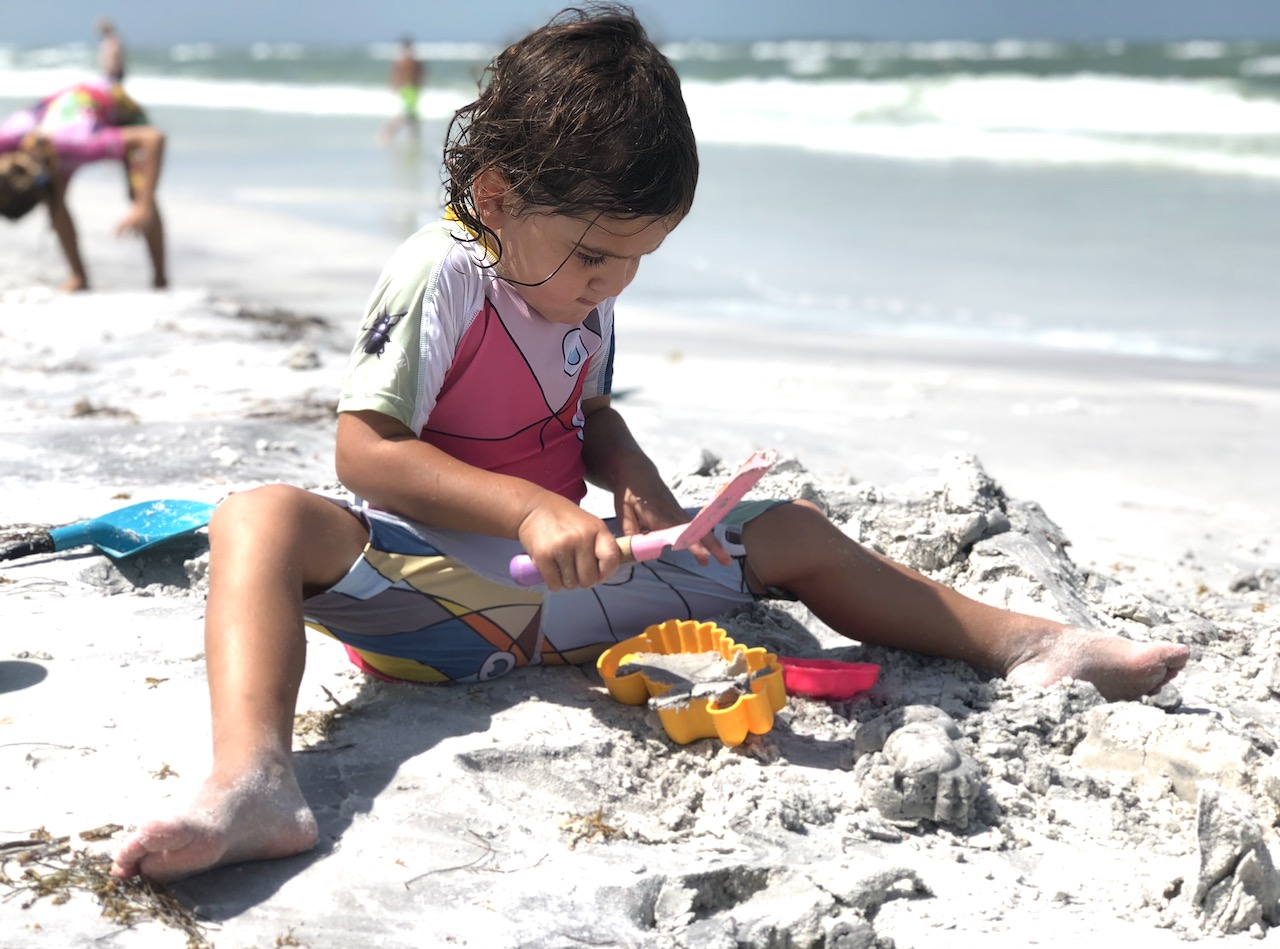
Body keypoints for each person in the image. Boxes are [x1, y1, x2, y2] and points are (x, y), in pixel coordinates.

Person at [110, 5, 1187, 884]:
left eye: (637, 259)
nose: (611, 283)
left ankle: (1025, 644)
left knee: (790, 531)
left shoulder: (574, 287)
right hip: (436, 604)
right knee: (257, 515)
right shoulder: (443, 271)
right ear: (496, 196)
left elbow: (588, 416)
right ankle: (251, 781)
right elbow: (365, 451)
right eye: (595, 255)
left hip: (589, 596)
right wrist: (530, 510)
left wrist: (634, 486)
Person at [0, 81, 167, 291]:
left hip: (118, 107)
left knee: (140, 191)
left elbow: (153, 138)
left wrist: (142, 205)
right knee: (56, 199)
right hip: (63, 113)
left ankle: (160, 279)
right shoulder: (7, 140)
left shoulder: (82, 144)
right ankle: (79, 277)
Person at [379, 36, 424, 144]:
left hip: (412, 89)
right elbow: (396, 74)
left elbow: (420, 73)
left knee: (412, 117)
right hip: (408, 90)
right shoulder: (406, 60)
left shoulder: (409, 60)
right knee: (406, 116)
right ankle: (387, 133)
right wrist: (395, 85)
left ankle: (414, 139)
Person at [97, 18, 127, 84]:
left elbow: (114, 55)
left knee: (112, 90)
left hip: (113, 72)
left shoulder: (112, 39)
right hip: (110, 71)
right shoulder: (108, 39)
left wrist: (112, 69)